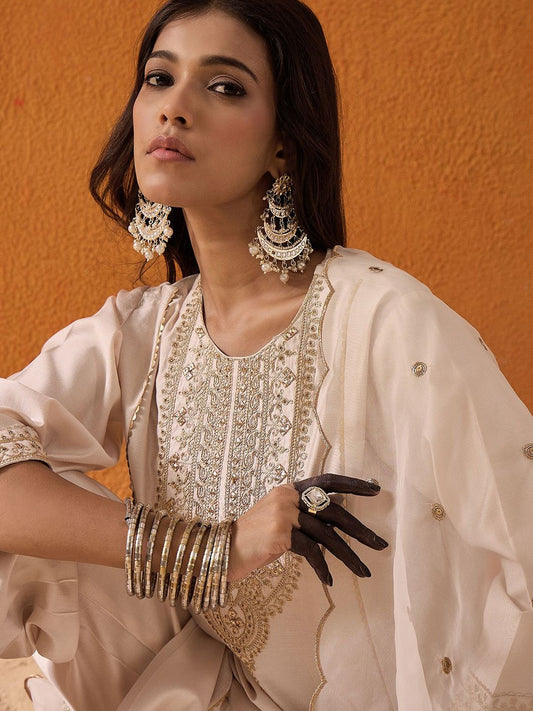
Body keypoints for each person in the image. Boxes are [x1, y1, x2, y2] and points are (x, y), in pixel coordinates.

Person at [1, 0, 532, 709]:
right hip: (200, 687)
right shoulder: (144, 329)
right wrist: (213, 547)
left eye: (224, 86)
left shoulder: (382, 320)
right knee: (32, 531)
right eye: (159, 78)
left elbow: (515, 535)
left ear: (283, 143)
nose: (175, 107)